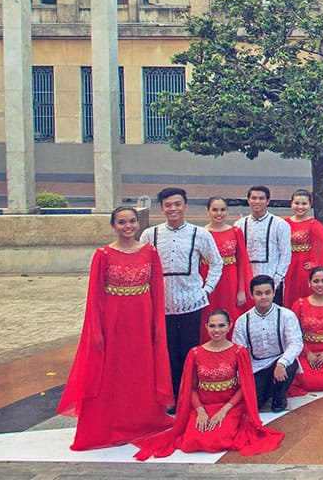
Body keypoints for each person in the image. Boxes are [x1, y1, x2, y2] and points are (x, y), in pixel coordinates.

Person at [59, 205, 173, 451]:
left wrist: (156, 326)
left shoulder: (150, 253)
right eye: (122, 222)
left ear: (138, 224)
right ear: (113, 226)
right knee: (113, 371)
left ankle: (142, 421)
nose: (128, 226)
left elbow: (157, 292)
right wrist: (96, 331)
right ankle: (109, 424)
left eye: (132, 221)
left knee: (140, 369)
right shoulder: (103, 254)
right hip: (113, 319)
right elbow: (95, 296)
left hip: (142, 318)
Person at [133, 309, 284, 461]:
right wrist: (200, 411)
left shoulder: (239, 352)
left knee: (217, 441)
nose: (216, 330)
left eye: (221, 325)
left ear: (229, 326)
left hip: (229, 407)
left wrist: (224, 411)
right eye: (212, 326)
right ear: (206, 326)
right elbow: (191, 389)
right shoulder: (195, 353)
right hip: (203, 406)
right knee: (191, 442)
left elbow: (243, 388)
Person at [140, 187, 222, 397]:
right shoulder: (150, 234)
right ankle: (172, 394)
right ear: (162, 208)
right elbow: (141, 265)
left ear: (185, 206)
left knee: (190, 351)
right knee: (167, 352)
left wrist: (207, 289)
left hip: (191, 302)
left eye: (177, 204)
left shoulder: (200, 234)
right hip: (162, 305)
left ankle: (190, 394)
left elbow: (216, 262)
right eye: (168, 205)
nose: (173, 209)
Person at [231, 275, 303, 413]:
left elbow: (296, 343)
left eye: (267, 293)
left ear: (274, 293)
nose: (263, 297)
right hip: (256, 368)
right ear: (251, 295)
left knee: (291, 363)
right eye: (259, 293)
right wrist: (243, 377)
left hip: (279, 363)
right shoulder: (242, 320)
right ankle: (267, 389)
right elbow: (239, 351)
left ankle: (279, 396)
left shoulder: (286, 315)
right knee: (254, 404)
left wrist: (282, 363)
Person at [236, 185, 291, 305]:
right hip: (246, 283)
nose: (257, 201)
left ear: (268, 201)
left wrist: (275, 280)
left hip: (272, 281)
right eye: (254, 198)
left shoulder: (280, 224)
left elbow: (285, 255)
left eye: (261, 198)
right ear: (248, 200)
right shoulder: (239, 225)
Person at [202, 195, 252, 325]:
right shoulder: (201, 233)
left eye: (222, 210)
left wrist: (241, 290)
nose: (219, 214)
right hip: (208, 280)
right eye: (215, 210)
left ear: (227, 211)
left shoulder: (236, 232)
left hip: (230, 281)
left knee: (231, 314)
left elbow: (242, 263)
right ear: (207, 211)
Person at [284, 189, 323, 308]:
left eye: (304, 204)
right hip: (288, 265)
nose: (300, 207)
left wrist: (317, 263)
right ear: (291, 204)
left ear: (310, 205)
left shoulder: (313, 224)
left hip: (303, 267)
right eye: (297, 203)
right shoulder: (284, 223)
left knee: (302, 294)